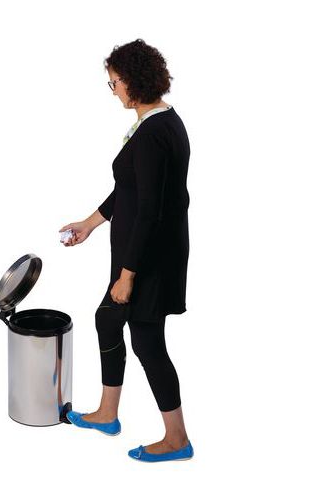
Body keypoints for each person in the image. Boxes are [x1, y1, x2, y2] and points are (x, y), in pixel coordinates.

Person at [59, 39, 193, 462]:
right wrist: (90, 223)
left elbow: (150, 210)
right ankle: (107, 414)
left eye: (114, 82)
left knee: (148, 342)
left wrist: (128, 275)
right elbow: (130, 189)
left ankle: (177, 440)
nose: (113, 89)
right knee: (108, 319)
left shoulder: (153, 134)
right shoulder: (161, 121)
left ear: (134, 82)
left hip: (148, 258)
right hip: (147, 252)